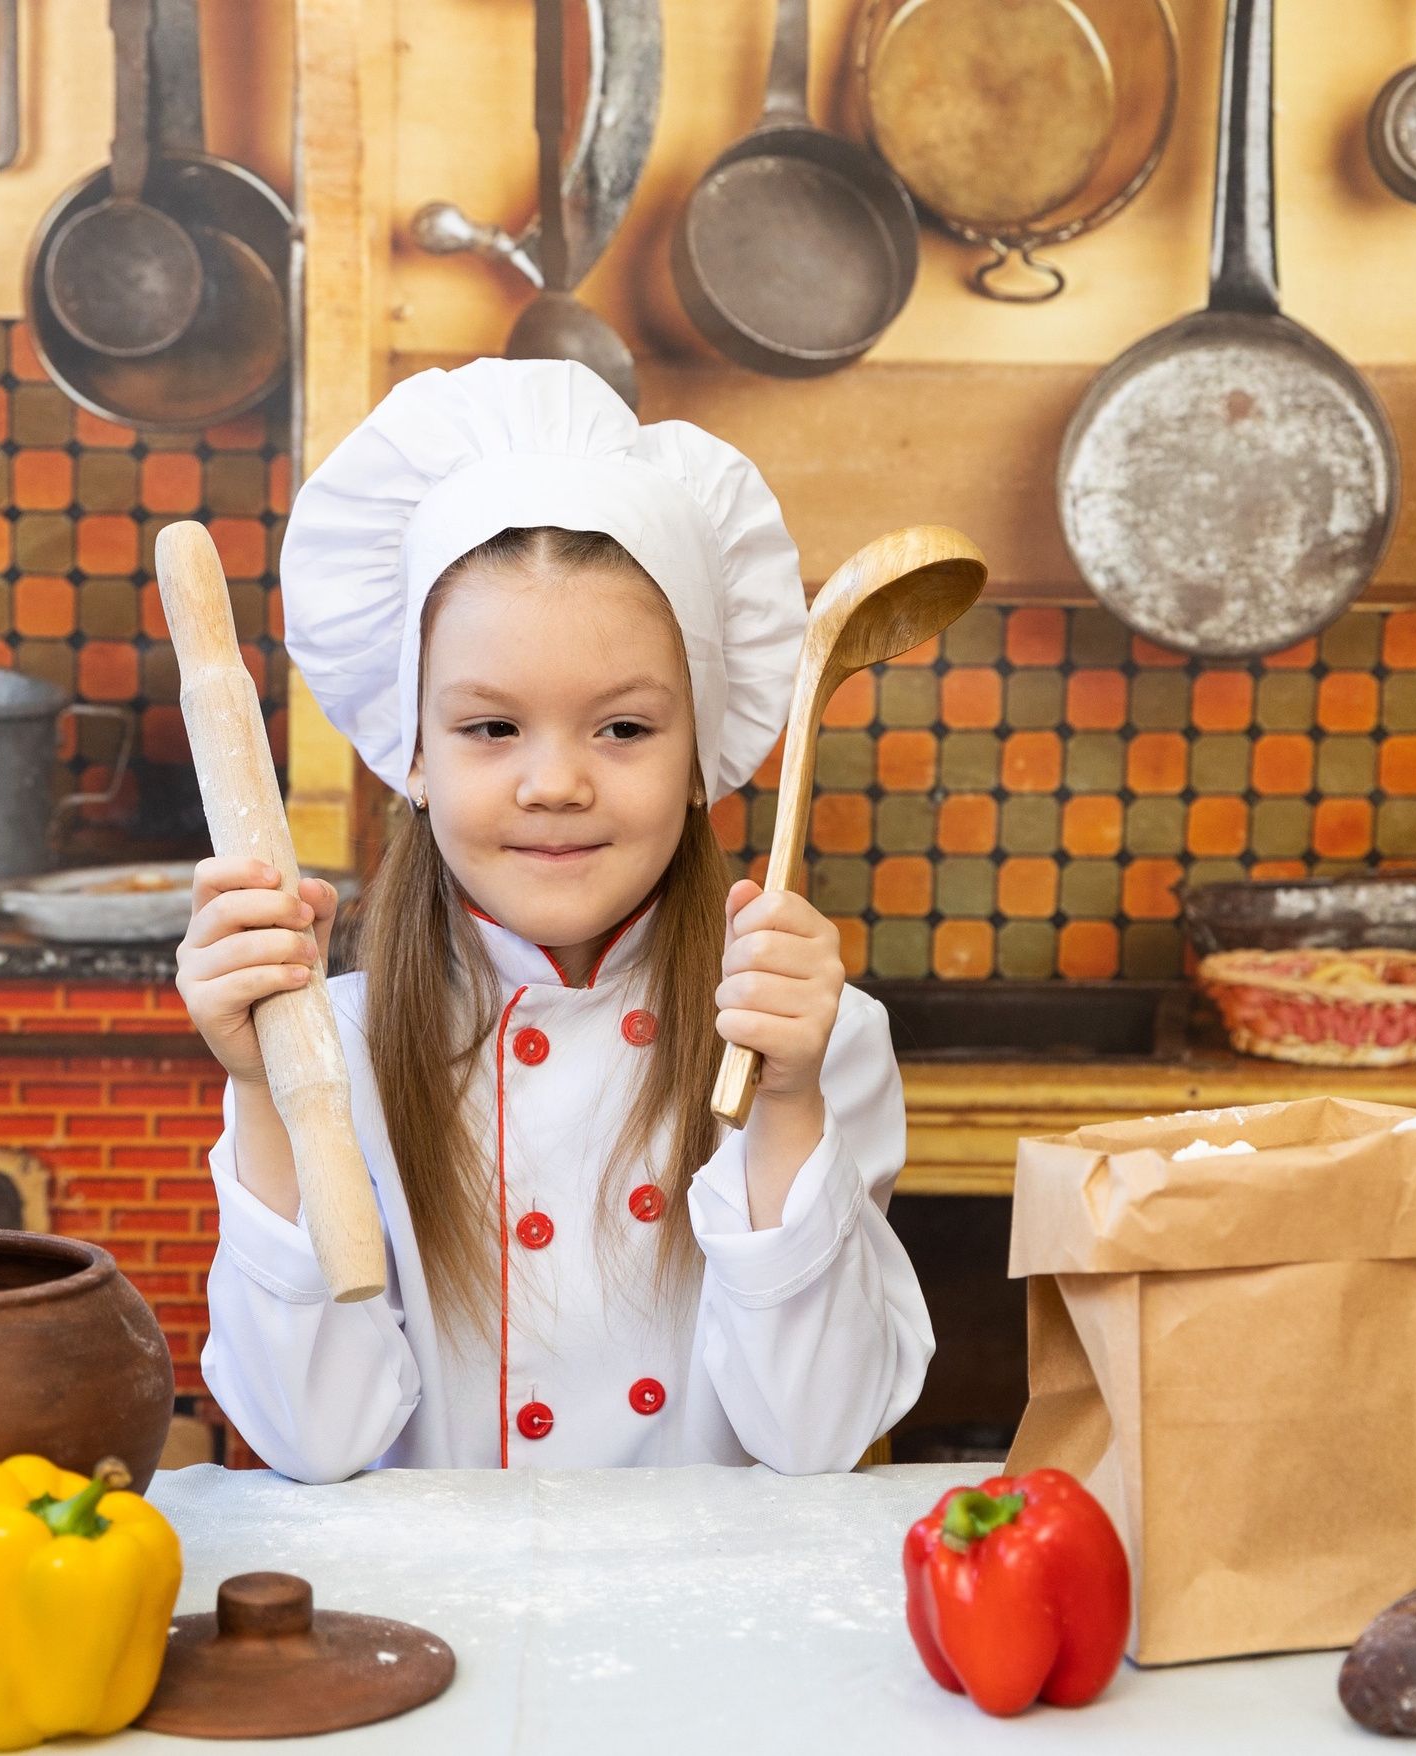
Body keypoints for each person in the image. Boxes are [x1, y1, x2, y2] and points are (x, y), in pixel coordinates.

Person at [173, 358, 932, 1482]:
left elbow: (817, 1437)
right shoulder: (328, 1049)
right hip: (429, 1635)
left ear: (700, 759)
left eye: (622, 729)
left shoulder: (820, 1041)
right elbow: (310, 1442)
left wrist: (788, 1106)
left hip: (711, 1637)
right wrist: (264, 1090)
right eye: (490, 729)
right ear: (414, 754)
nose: (554, 784)